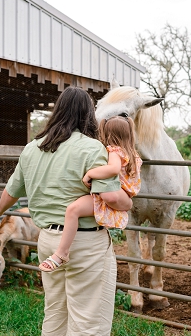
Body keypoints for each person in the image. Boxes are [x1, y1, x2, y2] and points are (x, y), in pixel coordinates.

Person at [0, 86, 121, 336]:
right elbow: (109, 197)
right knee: (88, 319)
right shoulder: (92, 149)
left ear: (57, 111)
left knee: (56, 311)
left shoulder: (32, 149)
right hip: (85, 242)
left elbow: (9, 194)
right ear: (88, 114)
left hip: (47, 240)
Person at [39, 115, 139, 272]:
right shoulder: (132, 153)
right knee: (74, 210)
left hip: (108, 194)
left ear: (107, 134)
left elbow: (112, 169)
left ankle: (61, 253)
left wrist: (90, 173)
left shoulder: (114, 151)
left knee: (73, 210)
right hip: (121, 195)